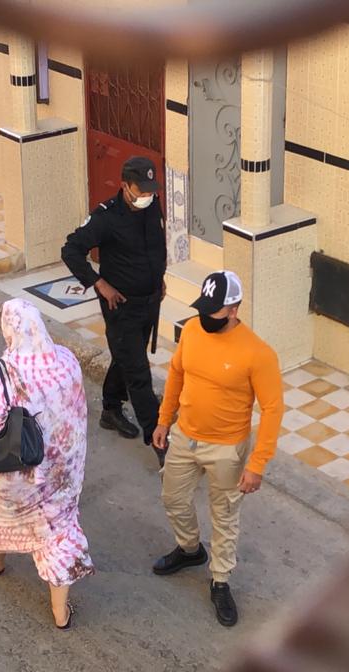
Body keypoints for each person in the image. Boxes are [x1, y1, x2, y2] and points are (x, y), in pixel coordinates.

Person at [150, 270, 283, 627]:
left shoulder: (258, 353)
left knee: (224, 516)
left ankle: (220, 580)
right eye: (205, 309)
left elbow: (272, 409)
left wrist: (257, 464)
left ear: (235, 309)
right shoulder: (192, 330)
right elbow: (177, 372)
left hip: (227, 449)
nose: (206, 318)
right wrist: (164, 419)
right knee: (173, 499)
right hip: (184, 436)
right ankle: (190, 549)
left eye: (215, 312)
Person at [0, 299, 94, 629]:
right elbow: (79, 409)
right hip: (63, 470)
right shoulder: (66, 360)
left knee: (4, 515)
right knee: (58, 530)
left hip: (20, 471)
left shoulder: (1, 373)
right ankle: (60, 612)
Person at [61, 156, 167, 465]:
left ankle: (109, 408)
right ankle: (159, 440)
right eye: (142, 189)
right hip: (121, 306)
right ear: (125, 186)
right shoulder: (106, 218)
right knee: (139, 373)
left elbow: (154, 246)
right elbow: (71, 249)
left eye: (151, 189)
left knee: (126, 357)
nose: (148, 195)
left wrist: (157, 278)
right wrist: (98, 283)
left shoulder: (152, 205)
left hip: (150, 302)